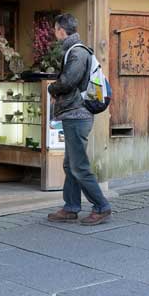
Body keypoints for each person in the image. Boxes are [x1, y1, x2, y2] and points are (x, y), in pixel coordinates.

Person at [46, 14, 112, 226]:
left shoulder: (77, 53)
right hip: (76, 113)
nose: (54, 33)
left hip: (77, 113)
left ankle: (101, 206)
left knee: (79, 165)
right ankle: (71, 207)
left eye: (55, 29)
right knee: (70, 164)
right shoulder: (75, 51)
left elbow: (68, 81)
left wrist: (51, 88)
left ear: (60, 30)